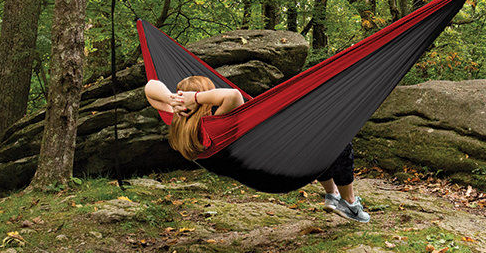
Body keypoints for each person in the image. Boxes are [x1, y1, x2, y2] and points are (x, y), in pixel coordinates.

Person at [144, 75, 369, 222]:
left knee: (316, 142)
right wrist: (196, 97)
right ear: (204, 99)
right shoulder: (216, 125)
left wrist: (173, 100)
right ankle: (349, 203)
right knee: (338, 140)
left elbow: (150, 86)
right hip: (275, 172)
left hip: (258, 173)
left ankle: (332, 195)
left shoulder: (176, 121)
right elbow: (233, 95)